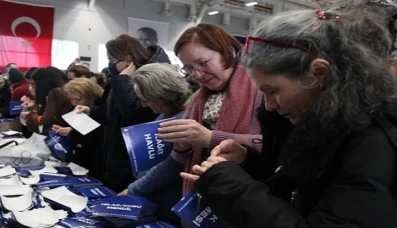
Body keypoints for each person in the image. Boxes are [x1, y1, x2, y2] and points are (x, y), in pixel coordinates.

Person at [182, 5, 397, 228]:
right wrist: (247, 160)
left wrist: (230, 187)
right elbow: (296, 186)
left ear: (318, 74)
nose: (268, 106)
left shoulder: (373, 145)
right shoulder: (320, 121)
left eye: (272, 91)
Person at [156, 23, 263, 198]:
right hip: (203, 193)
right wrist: (182, 147)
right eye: (189, 68)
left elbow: (278, 147)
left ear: (227, 51)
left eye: (202, 63)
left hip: (247, 195)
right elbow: (182, 159)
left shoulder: (261, 89)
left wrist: (210, 138)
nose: (197, 75)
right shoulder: (198, 97)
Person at [75, 34, 171, 191]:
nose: (111, 65)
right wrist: (91, 110)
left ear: (127, 59)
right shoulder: (119, 77)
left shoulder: (149, 78)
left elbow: (132, 114)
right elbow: (110, 112)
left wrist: (122, 80)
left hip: (135, 152)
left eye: (113, 60)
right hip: (114, 149)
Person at [118, 63, 191, 224]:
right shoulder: (167, 114)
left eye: (145, 99)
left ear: (161, 93)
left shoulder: (181, 121)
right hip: (155, 200)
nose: (143, 105)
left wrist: (133, 189)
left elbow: (168, 168)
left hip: (168, 208)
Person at [52, 78, 105, 181]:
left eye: (78, 99)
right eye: (71, 99)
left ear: (91, 96)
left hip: (93, 164)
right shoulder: (78, 108)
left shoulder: (101, 111)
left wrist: (72, 133)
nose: (74, 103)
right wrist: (63, 130)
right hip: (77, 162)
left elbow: (96, 139)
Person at [23, 68, 72, 133]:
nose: (32, 86)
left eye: (33, 83)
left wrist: (29, 116)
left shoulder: (54, 92)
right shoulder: (63, 89)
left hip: (58, 127)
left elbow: (45, 119)